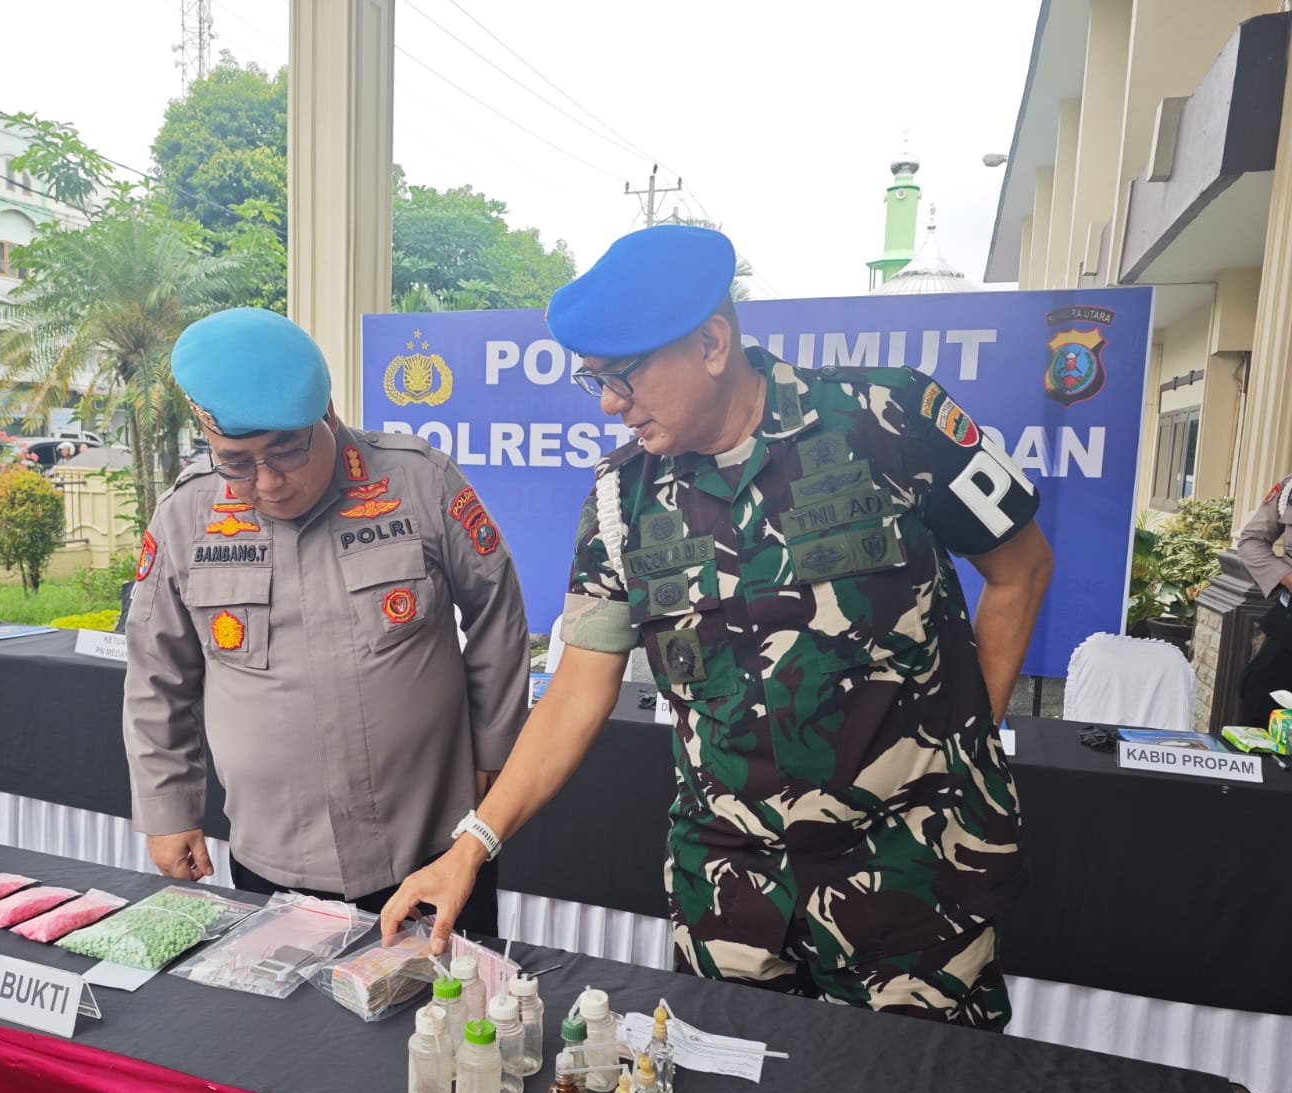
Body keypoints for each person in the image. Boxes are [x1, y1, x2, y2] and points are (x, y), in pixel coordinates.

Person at [382, 226, 1055, 1030]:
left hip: (913, 873)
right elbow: (576, 693)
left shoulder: (888, 419)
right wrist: (470, 848)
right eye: (592, 378)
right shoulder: (619, 502)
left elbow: (1021, 568)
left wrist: (964, 736)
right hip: (733, 896)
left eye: (623, 377)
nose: (606, 403)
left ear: (711, 343)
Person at [123, 307, 529, 933]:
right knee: (291, 1030)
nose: (266, 482)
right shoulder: (185, 515)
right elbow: (157, 672)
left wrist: (495, 750)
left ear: (328, 417)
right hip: (274, 857)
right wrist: (167, 806)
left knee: (450, 1018)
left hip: (432, 847)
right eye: (236, 462)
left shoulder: (416, 479)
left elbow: (497, 612)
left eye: (285, 452)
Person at [1236, 474, 1292, 726]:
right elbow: (1251, 541)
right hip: (1287, 628)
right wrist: (1287, 577)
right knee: (1261, 711)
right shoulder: (1290, 487)